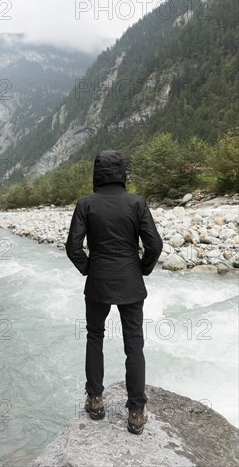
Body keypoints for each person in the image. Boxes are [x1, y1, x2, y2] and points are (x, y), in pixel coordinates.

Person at [66, 150, 163, 435]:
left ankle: (95, 400)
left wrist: (88, 268)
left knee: (94, 337)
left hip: (98, 282)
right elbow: (154, 245)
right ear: (122, 173)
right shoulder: (137, 203)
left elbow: (73, 247)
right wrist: (142, 269)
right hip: (130, 282)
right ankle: (136, 412)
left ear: (97, 174)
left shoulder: (86, 204)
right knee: (134, 343)